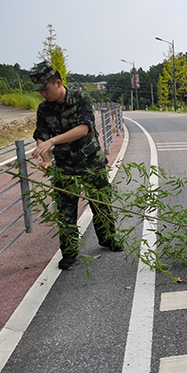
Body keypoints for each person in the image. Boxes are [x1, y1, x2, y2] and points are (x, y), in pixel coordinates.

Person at [29, 61, 122, 270]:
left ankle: (108, 239)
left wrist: (52, 142)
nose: (43, 93)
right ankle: (69, 254)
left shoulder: (81, 98)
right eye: (40, 90)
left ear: (59, 83)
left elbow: (83, 129)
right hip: (65, 166)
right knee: (65, 210)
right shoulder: (44, 108)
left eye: (45, 89)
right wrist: (46, 159)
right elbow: (41, 135)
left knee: (101, 205)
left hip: (91, 163)